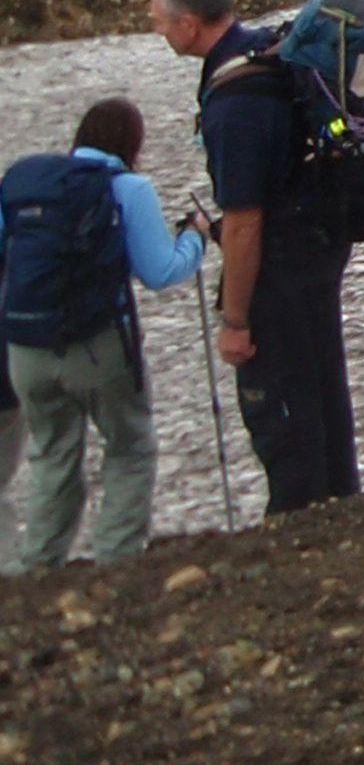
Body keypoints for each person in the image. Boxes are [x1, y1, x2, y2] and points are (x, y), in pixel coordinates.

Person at [150, 0, 359, 513]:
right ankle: (344, 507)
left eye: (160, 21)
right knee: (323, 390)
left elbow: (245, 224)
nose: (158, 31)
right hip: (320, 244)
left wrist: (235, 322)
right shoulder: (266, 50)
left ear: (190, 24)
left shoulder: (234, 107)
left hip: (281, 265)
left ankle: (300, 519)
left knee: (283, 410)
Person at [0, 97, 208, 568]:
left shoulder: (23, 183)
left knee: (53, 456)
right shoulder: (129, 188)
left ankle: (37, 570)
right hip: (98, 347)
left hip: (26, 350)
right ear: (133, 144)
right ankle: (117, 565)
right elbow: (158, 272)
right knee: (130, 446)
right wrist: (195, 239)